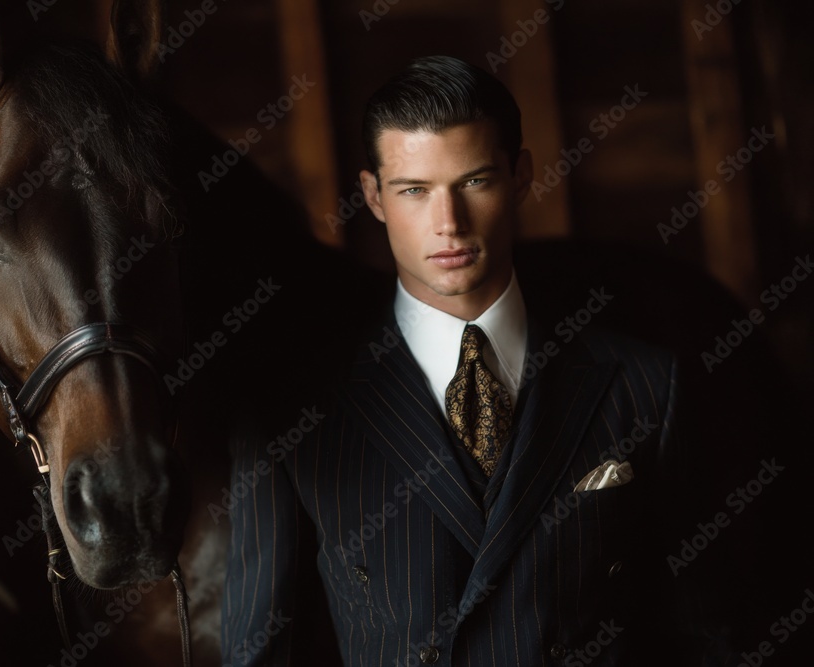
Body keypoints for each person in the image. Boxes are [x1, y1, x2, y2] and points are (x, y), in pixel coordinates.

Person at [222, 55, 730, 666]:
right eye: (415, 190)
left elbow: (703, 636)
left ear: (520, 178)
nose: (449, 224)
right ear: (373, 196)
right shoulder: (292, 416)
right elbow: (264, 652)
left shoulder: (647, 384)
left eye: (475, 182)